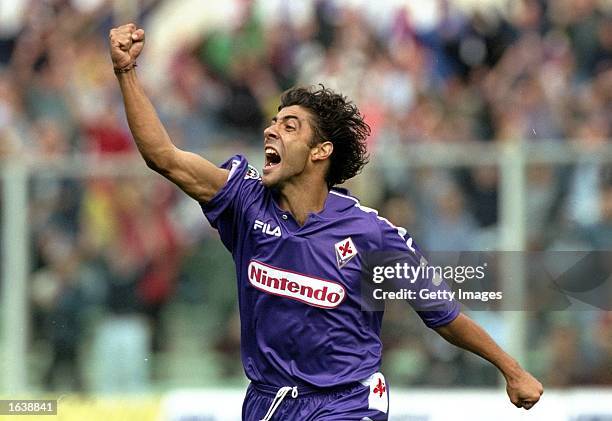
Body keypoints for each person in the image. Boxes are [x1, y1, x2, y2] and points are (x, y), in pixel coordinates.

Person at [109, 23, 543, 420]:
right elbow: (163, 157)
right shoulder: (245, 202)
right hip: (268, 401)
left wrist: (512, 369)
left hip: (348, 401)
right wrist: (127, 71)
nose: (271, 131)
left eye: (290, 126)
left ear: (320, 151)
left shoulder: (371, 234)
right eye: (274, 123)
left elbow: (442, 315)